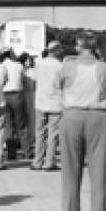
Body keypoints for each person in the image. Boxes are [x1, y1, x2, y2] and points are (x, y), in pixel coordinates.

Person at [59, 33, 106, 211]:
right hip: (97, 117)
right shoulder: (104, 67)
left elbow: (58, 85)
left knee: (70, 169)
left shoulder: (67, 66)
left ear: (77, 46)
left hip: (72, 116)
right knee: (98, 171)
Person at [31, 42, 64, 171]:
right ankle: (49, 162)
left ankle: (37, 161)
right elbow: (64, 84)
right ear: (57, 51)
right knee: (52, 134)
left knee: (39, 133)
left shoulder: (39, 64)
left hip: (40, 102)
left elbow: (34, 80)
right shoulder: (61, 66)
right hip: (55, 102)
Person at [1, 49, 28, 160]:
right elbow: (23, 79)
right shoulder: (18, 66)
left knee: (8, 125)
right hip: (17, 96)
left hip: (4, 95)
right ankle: (27, 151)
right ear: (11, 55)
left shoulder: (1, 66)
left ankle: (11, 154)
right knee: (21, 125)